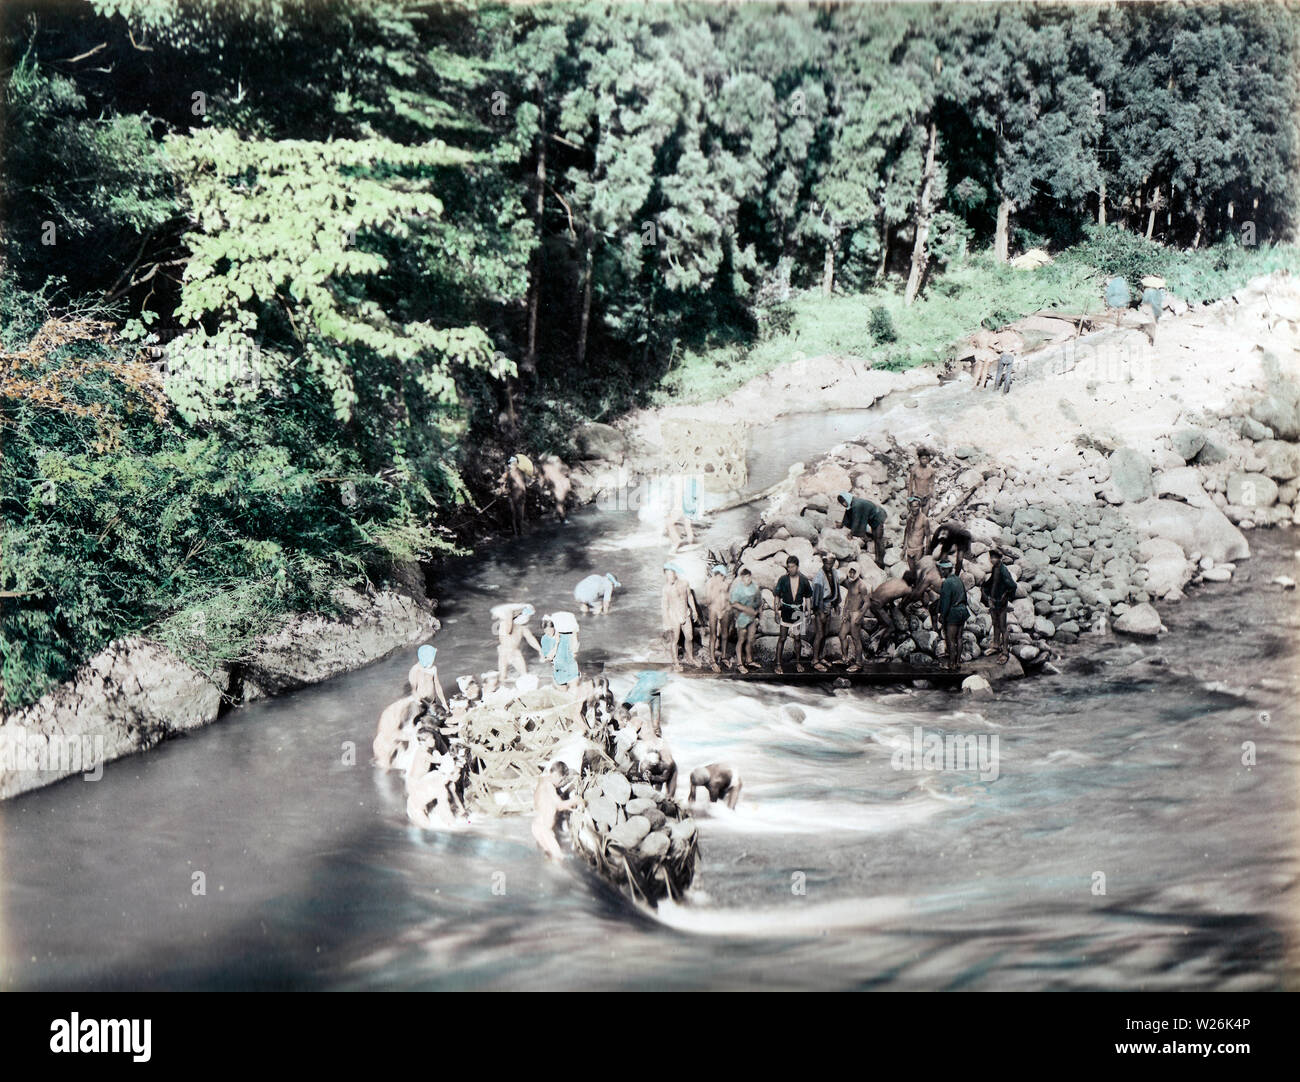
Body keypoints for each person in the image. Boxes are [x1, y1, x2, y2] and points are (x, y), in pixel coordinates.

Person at [774, 555, 814, 674]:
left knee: (797, 638)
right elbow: (777, 595)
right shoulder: (783, 579)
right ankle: (778, 664)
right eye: (788, 567)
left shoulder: (804, 580)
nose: (790, 569)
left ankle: (797, 662)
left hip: (798, 613)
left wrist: (809, 612)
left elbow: (807, 597)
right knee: (782, 638)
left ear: (797, 566)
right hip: (786, 610)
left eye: (792, 567)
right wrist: (776, 612)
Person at [531, 762, 578, 860]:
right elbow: (560, 805)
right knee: (559, 860)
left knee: (549, 860)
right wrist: (577, 801)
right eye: (561, 780)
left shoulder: (542, 782)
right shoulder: (549, 786)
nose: (560, 783)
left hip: (537, 827)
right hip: (544, 830)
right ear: (556, 775)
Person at [980, 547, 1017, 662]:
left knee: (1002, 627)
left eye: (995, 557)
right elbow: (992, 581)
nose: (992, 559)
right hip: (993, 601)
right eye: (991, 557)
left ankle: (1005, 652)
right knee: (995, 624)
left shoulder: (1003, 570)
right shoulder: (995, 568)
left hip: (1000, 603)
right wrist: (985, 589)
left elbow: (1012, 586)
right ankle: (996, 645)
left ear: (1000, 558)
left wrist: (1004, 597)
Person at [866, 573, 917, 653]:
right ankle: (879, 650)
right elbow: (903, 605)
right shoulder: (907, 589)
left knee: (886, 619)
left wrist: (892, 606)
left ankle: (879, 632)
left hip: (872, 598)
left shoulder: (896, 580)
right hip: (876, 605)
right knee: (891, 628)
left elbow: (891, 594)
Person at [661, 563, 699, 670]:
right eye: (667, 575)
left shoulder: (684, 583)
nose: (670, 577)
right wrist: (666, 621)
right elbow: (664, 606)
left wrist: (694, 610)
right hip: (674, 615)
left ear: (675, 573)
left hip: (685, 613)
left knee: (689, 637)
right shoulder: (666, 589)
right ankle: (675, 662)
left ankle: (690, 657)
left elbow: (690, 596)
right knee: (675, 640)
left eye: (671, 574)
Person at [837, 491, 887, 568]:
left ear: (846, 499)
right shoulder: (852, 503)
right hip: (873, 517)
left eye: (844, 502)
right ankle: (878, 558)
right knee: (875, 537)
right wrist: (842, 524)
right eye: (842, 503)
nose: (844, 504)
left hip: (878, 516)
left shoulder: (856, 505)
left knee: (878, 540)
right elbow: (848, 515)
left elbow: (857, 520)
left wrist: (851, 533)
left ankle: (881, 561)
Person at [809, 553, 841, 672]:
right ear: (823, 562)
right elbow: (816, 597)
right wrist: (819, 611)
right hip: (821, 607)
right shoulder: (819, 577)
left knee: (826, 632)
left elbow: (836, 588)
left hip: (829, 605)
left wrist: (836, 604)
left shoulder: (834, 573)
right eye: (827, 563)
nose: (829, 565)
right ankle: (815, 660)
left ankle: (821, 656)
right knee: (820, 633)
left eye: (831, 563)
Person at [937, 559, 969, 670]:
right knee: (959, 638)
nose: (940, 572)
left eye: (941, 570)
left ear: (946, 570)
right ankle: (958, 662)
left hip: (953, 613)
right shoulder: (958, 579)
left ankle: (951, 664)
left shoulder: (947, 583)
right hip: (963, 611)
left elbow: (945, 602)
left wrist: (942, 616)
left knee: (950, 639)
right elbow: (965, 596)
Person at [495, 603, 541, 681]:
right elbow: (508, 630)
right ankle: (502, 688)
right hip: (504, 652)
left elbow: (530, 638)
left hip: (515, 653)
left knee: (524, 674)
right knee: (503, 676)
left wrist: (540, 650)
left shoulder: (522, 627)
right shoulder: (504, 624)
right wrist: (511, 613)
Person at [728, 566, 761, 674]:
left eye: (748, 577)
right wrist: (746, 609)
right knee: (741, 639)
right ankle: (739, 664)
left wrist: (758, 613)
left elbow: (758, 600)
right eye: (744, 578)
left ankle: (749, 660)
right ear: (741, 578)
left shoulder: (754, 587)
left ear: (750, 577)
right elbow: (733, 603)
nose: (747, 579)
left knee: (751, 639)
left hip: (752, 617)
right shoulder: (737, 589)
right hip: (742, 617)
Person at [838, 564, 868, 672]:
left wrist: (860, 616)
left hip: (856, 613)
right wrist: (844, 612)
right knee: (842, 635)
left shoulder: (861, 585)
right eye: (850, 572)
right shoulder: (849, 583)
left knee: (856, 639)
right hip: (848, 613)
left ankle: (858, 663)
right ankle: (845, 658)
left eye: (853, 572)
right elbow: (848, 598)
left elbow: (867, 603)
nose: (851, 574)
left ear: (858, 572)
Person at [540, 610, 581, 686]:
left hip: (571, 669)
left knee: (573, 690)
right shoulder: (545, 639)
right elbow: (549, 657)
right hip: (559, 670)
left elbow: (575, 651)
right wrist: (557, 643)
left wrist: (575, 632)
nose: (547, 633)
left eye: (549, 630)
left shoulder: (566, 636)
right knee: (562, 691)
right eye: (545, 631)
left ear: (554, 628)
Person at [622, 669, 668, 734]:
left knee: (656, 725)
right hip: (648, 687)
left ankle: (657, 735)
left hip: (653, 690)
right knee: (624, 708)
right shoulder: (642, 688)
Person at [704, 565, 732, 672]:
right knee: (713, 635)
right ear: (715, 574)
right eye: (720, 576)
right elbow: (707, 601)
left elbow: (728, 598)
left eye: (723, 576)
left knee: (725, 634)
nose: (722, 578)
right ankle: (712, 660)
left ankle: (723, 656)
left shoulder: (725, 584)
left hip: (724, 610)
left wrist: (727, 608)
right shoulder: (709, 583)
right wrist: (717, 590)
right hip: (713, 610)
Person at [407, 644, 448, 711]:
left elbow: (438, 687)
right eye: (431, 659)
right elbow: (413, 690)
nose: (433, 662)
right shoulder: (415, 671)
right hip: (421, 704)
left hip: (432, 701)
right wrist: (420, 704)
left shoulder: (433, 669)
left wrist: (444, 703)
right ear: (425, 659)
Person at [665, 473, 699, 553]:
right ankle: (689, 542)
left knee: (669, 523)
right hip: (685, 506)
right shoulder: (685, 478)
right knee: (687, 525)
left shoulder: (678, 479)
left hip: (682, 506)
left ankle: (677, 542)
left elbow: (678, 494)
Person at [501, 454, 533, 536]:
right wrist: (504, 488)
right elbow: (501, 482)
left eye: (513, 463)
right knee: (515, 514)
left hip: (520, 496)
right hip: (514, 496)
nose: (511, 465)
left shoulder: (520, 473)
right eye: (511, 463)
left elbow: (527, 482)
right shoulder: (509, 474)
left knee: (518, 515)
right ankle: (516, 532)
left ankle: (519, 531)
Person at [540, 455, 573, 523]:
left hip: (558, 486)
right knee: (560, 503)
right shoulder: (554, 466)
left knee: (559, 504)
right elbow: (566, 472)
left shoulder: (545, 468)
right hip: (564, 484)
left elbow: (546, 479)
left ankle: (562, 519)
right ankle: (560, 517)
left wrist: (543, 486)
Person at [902, 496, 931, 571]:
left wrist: (926, 553)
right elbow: (907, 533)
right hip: (909, 549)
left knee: (918, 571)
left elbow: (928, 536)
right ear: (910, 507)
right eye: (913, 506)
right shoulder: (909, 518)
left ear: (920, 506)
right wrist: (904, 549)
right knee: (911, 571)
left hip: (919, 549)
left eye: (917, 506)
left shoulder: (924, 519)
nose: (915, 508)